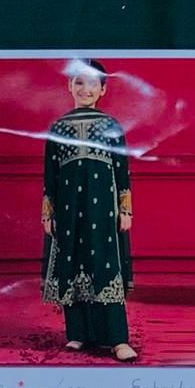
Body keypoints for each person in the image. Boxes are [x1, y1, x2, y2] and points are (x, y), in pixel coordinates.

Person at [41, 60, 137, 362]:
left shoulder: (111, 125)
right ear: (69, 86)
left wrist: (125, 209)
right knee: (72, 260)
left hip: (103, 209)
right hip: (68, 208)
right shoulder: (58, 128)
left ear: (103, 89)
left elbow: (122, 169)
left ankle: (118, 339)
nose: (86, 89)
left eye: (93, 83)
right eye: (79, 82)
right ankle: (78, 333)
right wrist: (48, 214)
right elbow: (50, 174)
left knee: (105, 264)